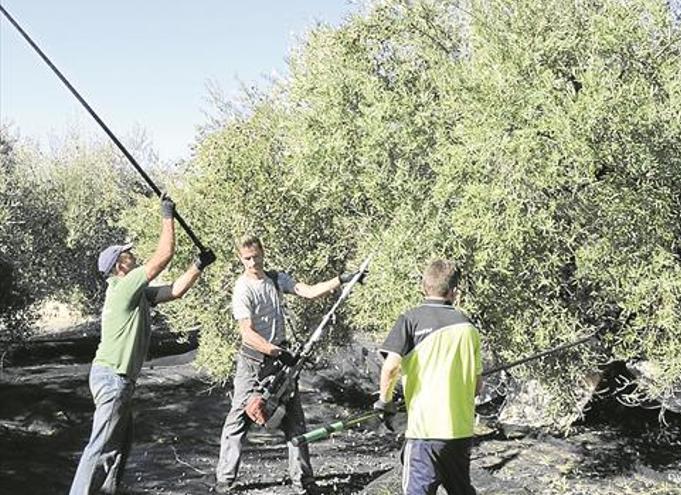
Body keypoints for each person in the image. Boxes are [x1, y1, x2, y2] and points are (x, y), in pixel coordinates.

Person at [70, 196, 217, 494]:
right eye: (127, 254)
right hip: (113, 378)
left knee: (117, 447)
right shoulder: (124, 287)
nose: (132, 254)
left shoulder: (135, 294)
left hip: (115, 379)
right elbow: (163, 256)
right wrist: (167, 216)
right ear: (119, 266)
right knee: (100, 448)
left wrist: (198, 265)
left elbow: (174, 291)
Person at [214, 234, 362, 494]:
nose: (252, 262)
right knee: (239, 418)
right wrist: (276, 351)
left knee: (294, 420)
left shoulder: (274, 279)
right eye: (247, 258)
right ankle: (225, 481)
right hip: (253, 362)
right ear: (240, 258)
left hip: (281, 362)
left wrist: (341, 280)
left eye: (256, 256)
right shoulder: (242, 289)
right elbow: (247, 333)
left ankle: (303, 482)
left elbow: (308, 291)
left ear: (263, 252)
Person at [374, 259, 482, 495]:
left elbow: (391, 367)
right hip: (460, 432)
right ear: (454, 292)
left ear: (424, 286)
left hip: (424, 432)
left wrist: (385, 401)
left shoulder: (410, 319)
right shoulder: (468, 327)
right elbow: (477, 387)